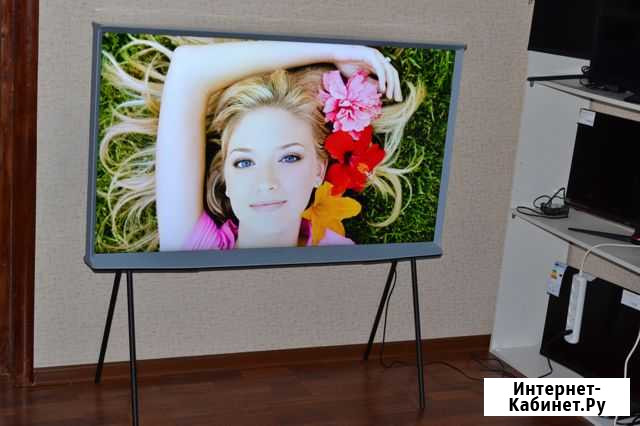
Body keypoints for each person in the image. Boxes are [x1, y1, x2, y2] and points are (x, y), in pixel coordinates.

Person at [98, 36, 426, 252]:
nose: (266, 182)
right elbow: (187, 69)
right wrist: (332, 50)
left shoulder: (341, 258)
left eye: (289, 158)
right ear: (225, 179)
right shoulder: (191, 250)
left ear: (319, 169)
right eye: (244, 162)